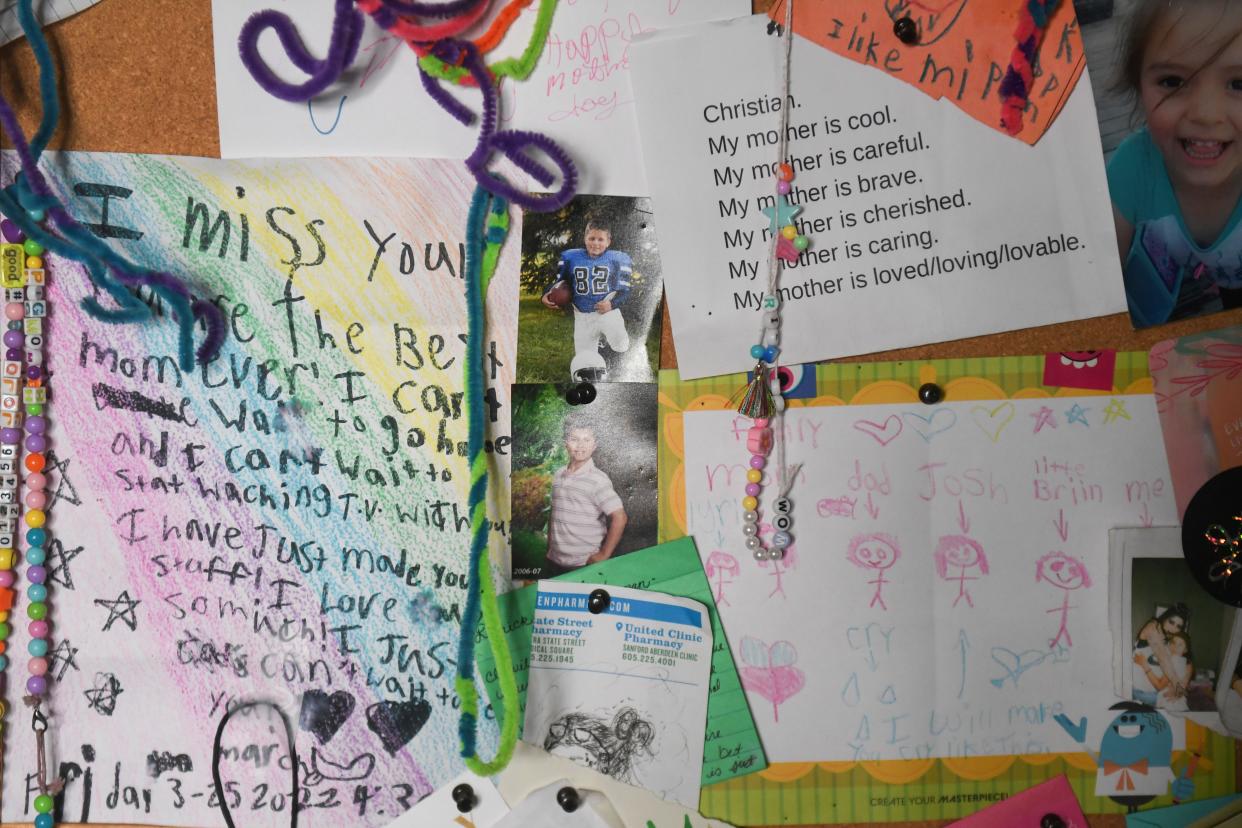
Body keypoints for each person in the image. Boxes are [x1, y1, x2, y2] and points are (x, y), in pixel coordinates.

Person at [1107, 0, 1242, 326]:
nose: (1205, 114)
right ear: (1139, 87)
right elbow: (1090, 280)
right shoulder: (1133, 167)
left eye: (1239, 84)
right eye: (1173, 81)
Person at [541, 216, 633, 381]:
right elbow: (559, 283)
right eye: (591, 238)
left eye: (600, 239)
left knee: (621, 345)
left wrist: (612, 304)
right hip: (582, 317)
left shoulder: (616, 259)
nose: (595, 243)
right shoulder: (572, 258)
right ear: (585, 239)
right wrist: (546, 295)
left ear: (608, 241)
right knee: (584, 360)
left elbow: (626, 291)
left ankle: (609, 348)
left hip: (606, 313)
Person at [544, 415, 627, 576]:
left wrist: (604, 554)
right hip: (553, 560)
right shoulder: (558, 474)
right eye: (574, 439)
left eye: (587, 440)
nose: (580, 445)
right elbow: (555, 513)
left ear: (594, 445)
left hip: (582, 563)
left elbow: (620, 517)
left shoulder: (598, 480)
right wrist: (549, 547)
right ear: (565, 443)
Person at [1134, 604, 1190, 703]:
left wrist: (1183, 684)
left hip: (1156, 693)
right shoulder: (1153, 626)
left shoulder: (1169, 641)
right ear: (1165, 617)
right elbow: (1163, 659)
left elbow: (1188, 662)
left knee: (1180, 702)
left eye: (1178, 626)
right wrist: (1178, 686)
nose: (1173, 628)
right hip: (1139, 692)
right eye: (1171, 622)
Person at [1134, 632, 1194, 711]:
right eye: (1173, 643)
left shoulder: (1175, 660)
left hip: (1170, 704)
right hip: (1173, 702)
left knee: (1132, 693)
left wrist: (1144, 664)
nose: (1175, 647)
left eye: (1180, 645)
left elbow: (1159, 686)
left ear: (1185, 649)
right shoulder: (1182, 661)